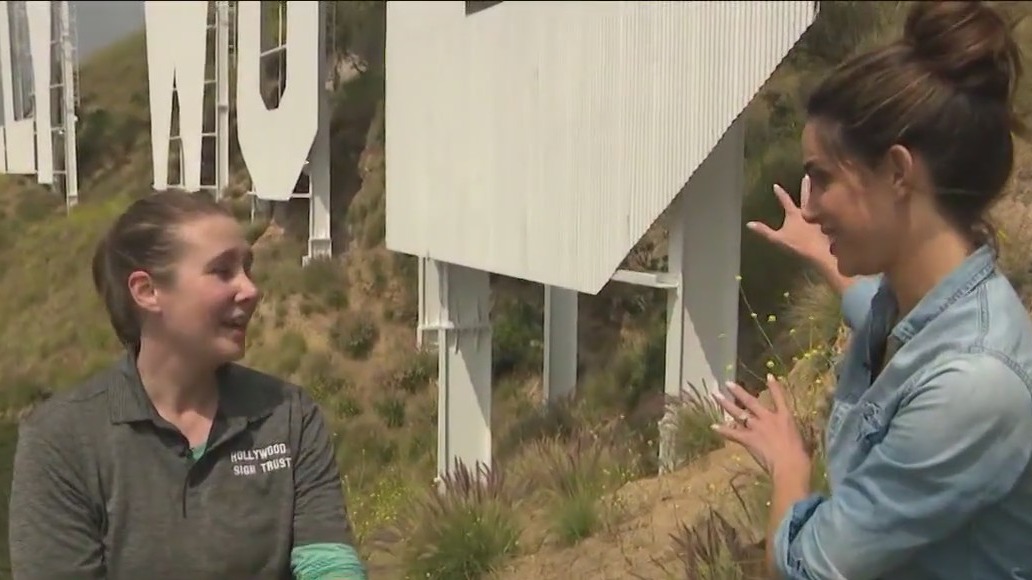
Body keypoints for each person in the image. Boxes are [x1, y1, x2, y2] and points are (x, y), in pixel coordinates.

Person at [711, 2, 1032, 579]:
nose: (810, 206)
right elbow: (877, 312)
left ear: (898, 173)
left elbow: (807, 568)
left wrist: (789, 466)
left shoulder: (972, 386)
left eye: (823, 178)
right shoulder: (922, 307)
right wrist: (821, 252)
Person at [8, 191, 368, 580]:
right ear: (147, 291)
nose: (251, 290)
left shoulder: (289, 415)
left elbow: (330, 564)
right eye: (222, 271)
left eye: (247, 268)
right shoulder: (61, 440)